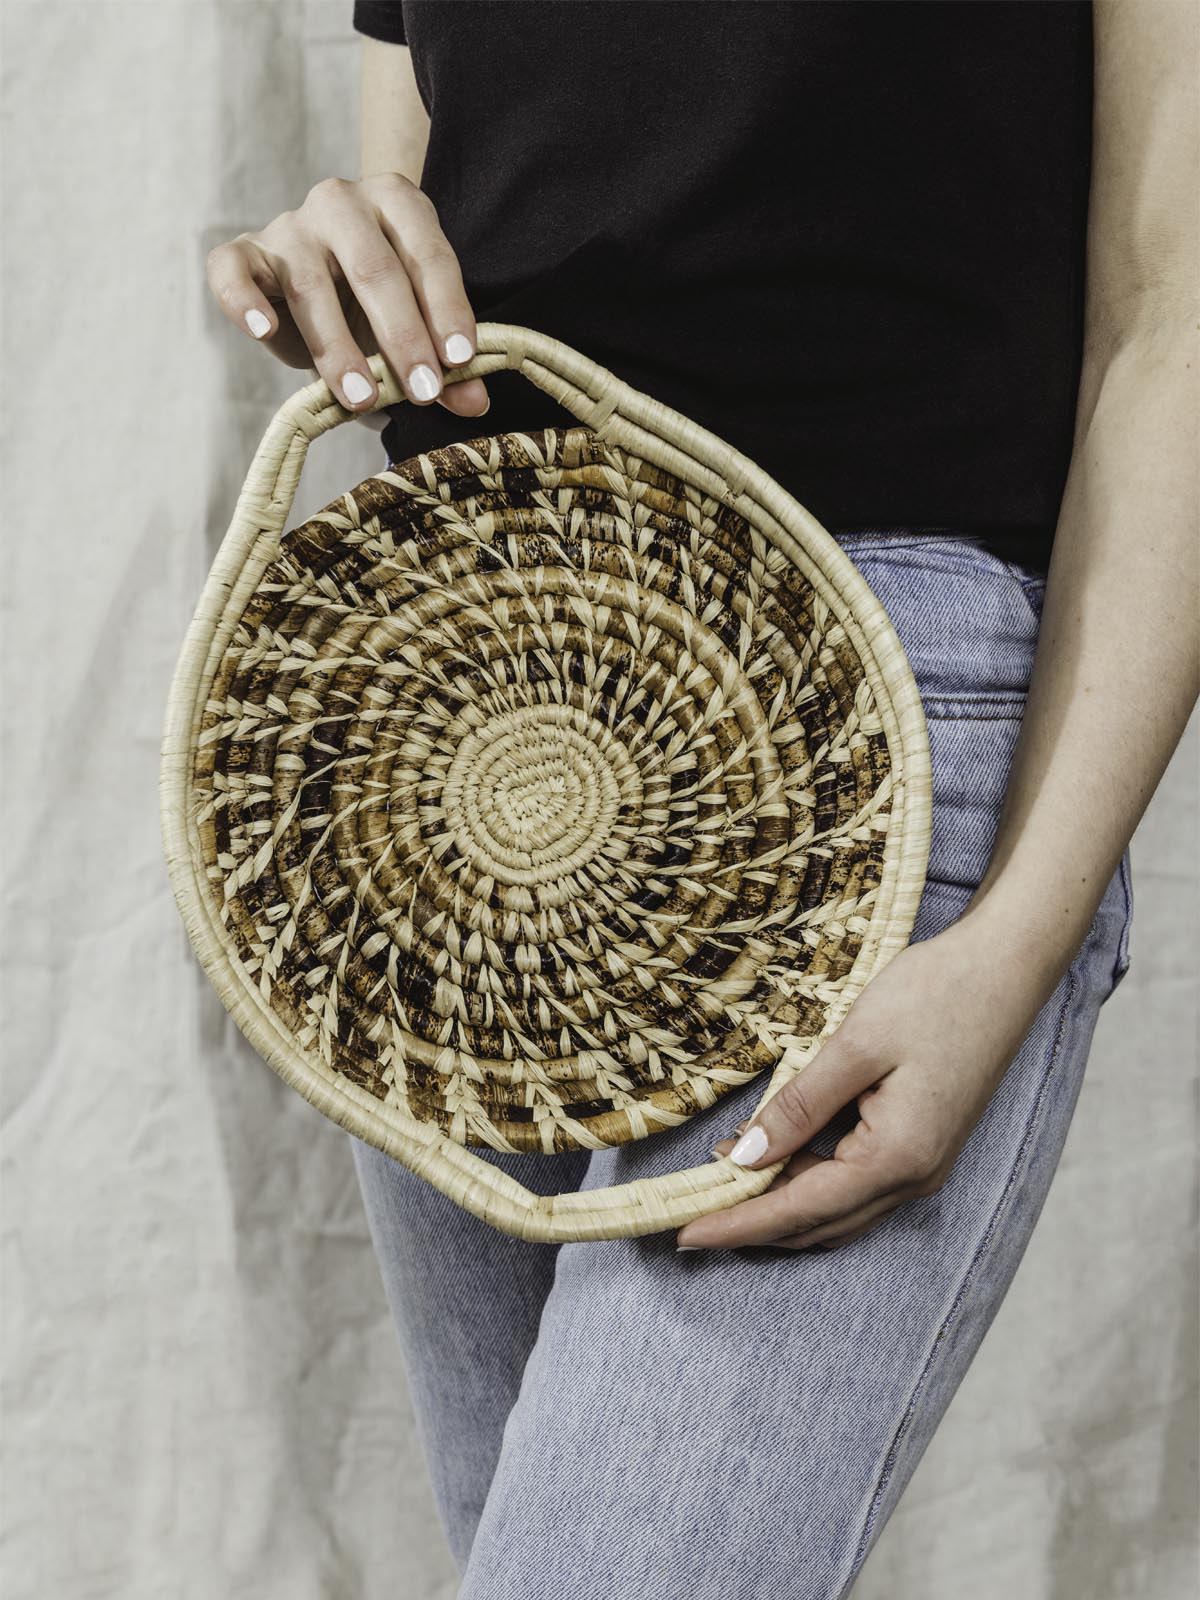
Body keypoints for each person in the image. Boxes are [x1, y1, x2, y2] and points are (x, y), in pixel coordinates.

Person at [203, 3, 1198, 1595]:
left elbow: (1176, 317)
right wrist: (338, 250)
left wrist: (1023, 938)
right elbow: (436, 220)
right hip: (457, 768)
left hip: (871, 741)